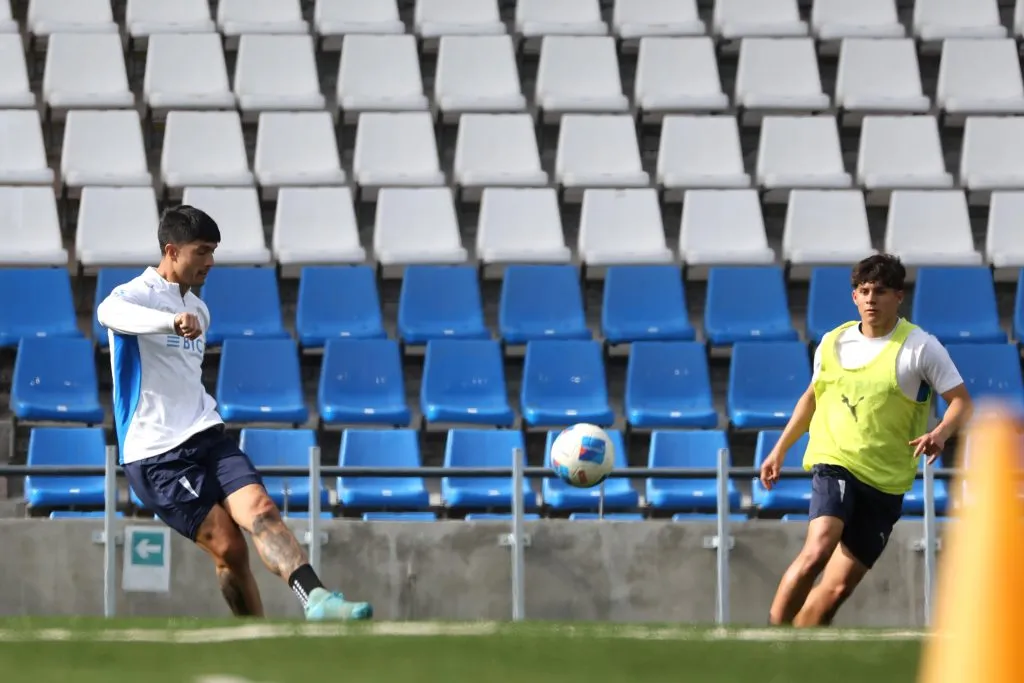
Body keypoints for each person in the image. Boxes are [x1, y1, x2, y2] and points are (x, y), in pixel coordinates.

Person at [97, 205, 372, 621]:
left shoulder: (200, 310)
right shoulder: (134, 295)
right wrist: (170, 322)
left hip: (207, 435)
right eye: (202, 252)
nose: (210, 262)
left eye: (213, 253)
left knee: (261, 508)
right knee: (229, 548)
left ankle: (316, 599)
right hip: (156, 454)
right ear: (171, 250)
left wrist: (183, 317)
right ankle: (254, 636)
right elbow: (107, 314)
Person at [760, 254, 972, 628]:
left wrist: (940, 432)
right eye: (864, 291)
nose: (871, 298)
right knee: (818, 548)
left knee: (837, 589)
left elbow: (961, 402)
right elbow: (812, 397)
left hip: (886, 481)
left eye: (880, 291)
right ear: (854, 297)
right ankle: (765, 639)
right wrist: (779, 449)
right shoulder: (832, 342)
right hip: (836, 461)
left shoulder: (921, 347)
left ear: (898, 297)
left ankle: (793, 649)